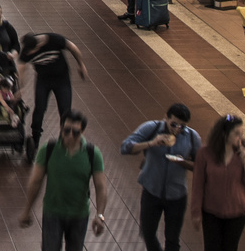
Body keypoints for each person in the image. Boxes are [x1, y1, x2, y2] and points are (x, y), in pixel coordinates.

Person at [19, 110, 109, 251]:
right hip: (53, 212)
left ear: (83, 131)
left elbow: (101, 186)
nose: (70, 136)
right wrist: (27, 210)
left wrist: (100, 216)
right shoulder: (48, 149)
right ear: (61, 128)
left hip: (79, 215)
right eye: (66, 130)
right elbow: (36, 181)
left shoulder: (93, 153)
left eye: (76, 132)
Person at [121, 103, 201, 251]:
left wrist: (183, 163)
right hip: (151, 191)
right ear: (166, 117)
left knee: (172, 239)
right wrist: (151, 143)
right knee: (147, 232)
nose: (177, 129)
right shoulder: (151, 128)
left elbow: (201, 166)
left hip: (177, 195)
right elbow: (126, 147)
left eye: (182, 126)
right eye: (174, 124)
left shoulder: (191, 137)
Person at [188, 114, 245, 251]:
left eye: (242, 133)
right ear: (224, 134)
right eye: (236, 133)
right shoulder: (205, 153)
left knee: (230, 247)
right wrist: (195, 212)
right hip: (211, 211)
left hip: (238, 212)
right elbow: (198, 185)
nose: (240, 138)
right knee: (211, 247)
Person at [19, 32, 89, 158]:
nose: (29, 54)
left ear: (38, 46)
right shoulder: (27, 50)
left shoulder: (52, 40)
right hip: (43, 81)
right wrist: (20, 88)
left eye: (31, 52)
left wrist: (81, 64)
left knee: (65, 110)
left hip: (62, 80)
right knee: (40, 108)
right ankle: (35, 140)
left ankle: (65, 140)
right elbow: (21, 68)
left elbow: (72, 47)